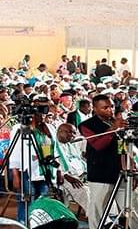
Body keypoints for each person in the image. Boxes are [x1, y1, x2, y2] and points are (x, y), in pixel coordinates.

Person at [80, 94, 127, 229]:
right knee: (98, 211)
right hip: (100, 174)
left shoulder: (117, 122)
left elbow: (122, 146)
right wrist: (113, 129)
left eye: (111, 106)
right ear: (95, 109)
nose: (110, 110)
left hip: (121, 172)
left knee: (131, 207)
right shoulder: (86, 125)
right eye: (105, 107)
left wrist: (129, 164)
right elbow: (98, 145)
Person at [54, 123, 89, 214]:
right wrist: (67, 176)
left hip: (80, 176)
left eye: (74, 133)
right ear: (60, 131)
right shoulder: (53, 145)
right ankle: (100, 220)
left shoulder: (70, 145)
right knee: (85, 192)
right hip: (65, 178)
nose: (73, 136)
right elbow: (55, 166)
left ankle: (111, 217)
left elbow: (79, 160)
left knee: (99, 188)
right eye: (70, 133)